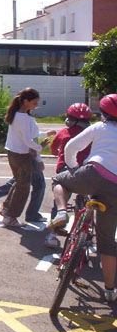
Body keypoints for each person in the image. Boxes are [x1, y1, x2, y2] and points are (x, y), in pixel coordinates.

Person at [50, 95, 117, 302]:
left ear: (103, 114)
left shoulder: (99, 127)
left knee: (58, 181)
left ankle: (62, 212)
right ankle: (109, 290)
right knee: (106, 243)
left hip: (92, 173)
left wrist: (73, 168)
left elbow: (71, 146)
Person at [0, 88, 56, 228]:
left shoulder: (17, 114)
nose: (36, 106)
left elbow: (27, 136)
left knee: (19, 182)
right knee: (23, 187)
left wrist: (43, 135)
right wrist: (40, 147)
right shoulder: (23, 118)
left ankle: (6, 208)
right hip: (22, 155)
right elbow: (28, 141)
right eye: (34, 103)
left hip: (13, 152)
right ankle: (10, 216)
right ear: (26, 101)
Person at [43, 102, 93, 248]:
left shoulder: (64, 132)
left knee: (60, 199)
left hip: (65, 171)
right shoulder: (91, 134)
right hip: (86, 171)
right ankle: (87, 233)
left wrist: (58, 152)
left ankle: (52, 234)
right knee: (88, 201)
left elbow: (53, 149)